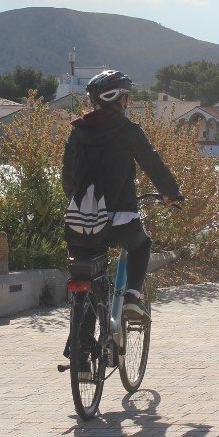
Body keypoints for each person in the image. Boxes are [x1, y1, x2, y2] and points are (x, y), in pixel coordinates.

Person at [62, 70, 182, 324]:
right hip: (120, 218)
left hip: (81, 221)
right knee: (141, 245)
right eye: (126, 98)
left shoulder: (77, 131)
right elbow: (152, 163)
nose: (127, 103)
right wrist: (171, 193)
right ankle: (132, 298)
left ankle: (81, 350)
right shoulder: (128, 130)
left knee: (89, 272)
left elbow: (68, 178)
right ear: (118, 99)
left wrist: (82, 204)